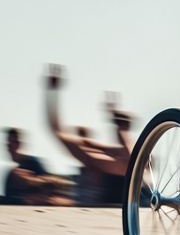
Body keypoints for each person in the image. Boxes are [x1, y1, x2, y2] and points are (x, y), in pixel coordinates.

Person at [44, 66, 133, 204]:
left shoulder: (111, 157)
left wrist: (52, 92)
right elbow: (59, 132)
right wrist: (119, 128)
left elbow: (131, 160)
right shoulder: (98, 158)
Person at [3, 128, 69, 205]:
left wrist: (31, 180)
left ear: (20, 144)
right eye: (8, 143)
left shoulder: (33, 163)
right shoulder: (12, 173)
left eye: (13, 142)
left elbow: (51, 187)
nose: (9, 147)